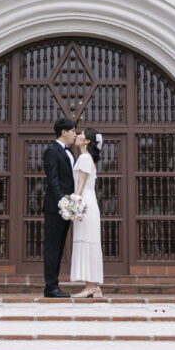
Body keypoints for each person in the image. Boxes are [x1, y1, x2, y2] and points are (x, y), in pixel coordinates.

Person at [42, 116, 77, 298]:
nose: (75, 134)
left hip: (67, 207)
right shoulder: (51, 151)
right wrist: (64, 205)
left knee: (60, 246)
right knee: (52, 247)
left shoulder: (70, 152)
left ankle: (54, 285)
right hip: (55, 208)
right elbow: (53, 181)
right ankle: (51, 287)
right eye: (72, 131)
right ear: (63, 132)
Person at [70, 126, 104, 298]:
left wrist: (72, 205)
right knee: (91, 242)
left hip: (85, 202)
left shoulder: (84, 157)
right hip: (90, 202)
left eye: (81, 134)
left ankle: (91, 286)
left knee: (88, 241)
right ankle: (94, 286)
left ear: (88, 140)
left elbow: (81, 185)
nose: (77, 135)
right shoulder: (88, 158)